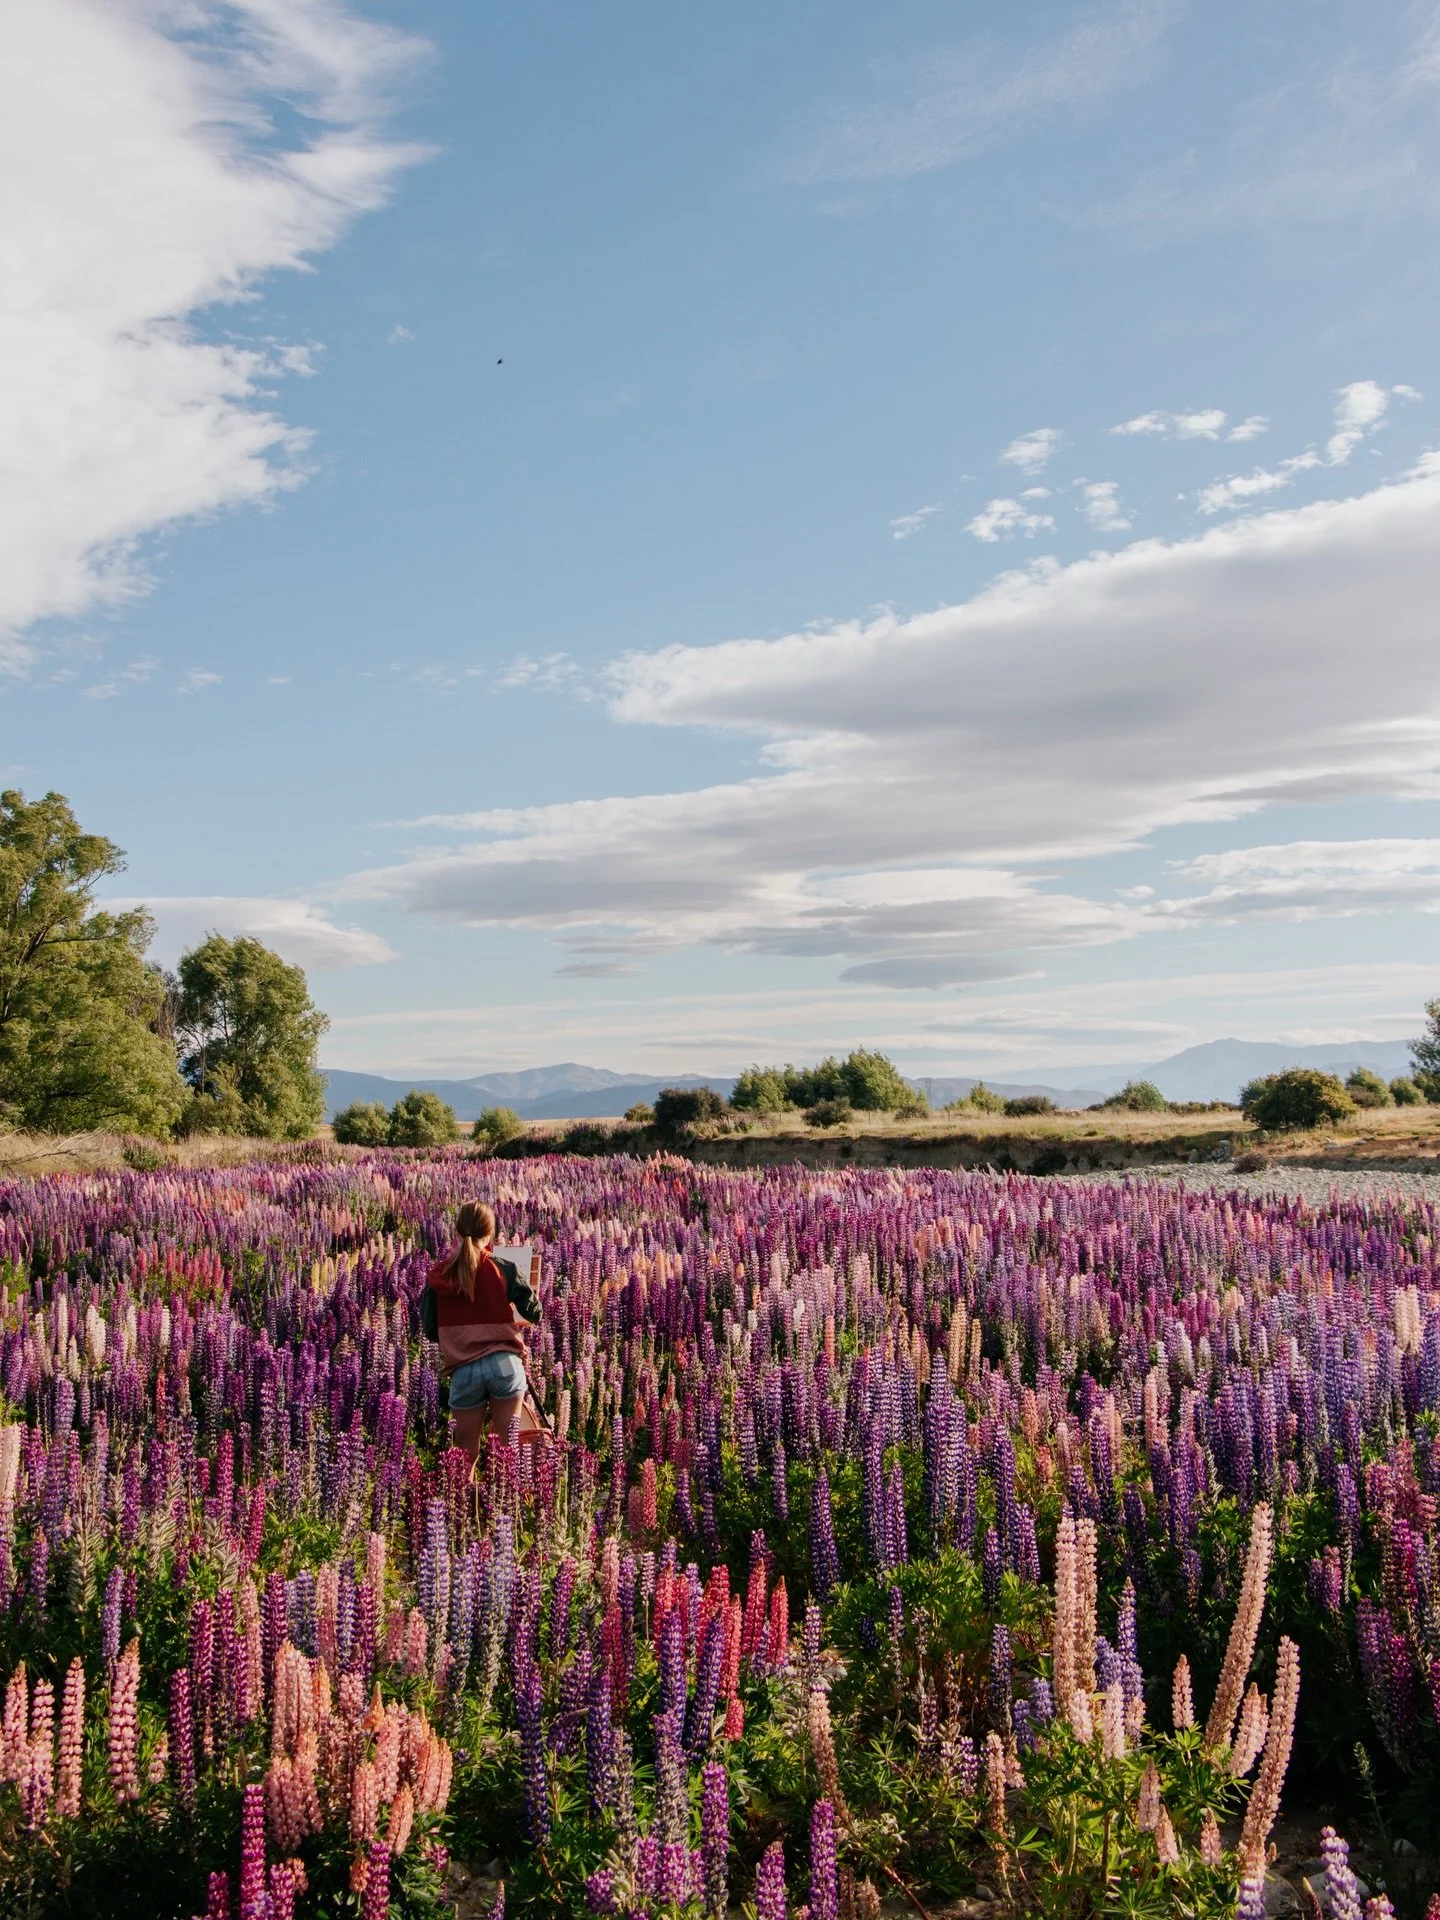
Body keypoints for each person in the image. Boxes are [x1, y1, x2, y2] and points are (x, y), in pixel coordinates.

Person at [425, 1200, 542, 1460]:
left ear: (457, 1232)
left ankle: (466, 1488)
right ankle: (505, 1488)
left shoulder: (439, 1275)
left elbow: (430, 1330)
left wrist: (460, 1336)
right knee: (507, 1453)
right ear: (489, 1233)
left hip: (464, 1370)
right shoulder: (503, 1267)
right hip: (505, 1365)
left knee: (465, 1455)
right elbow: (535, 1312)